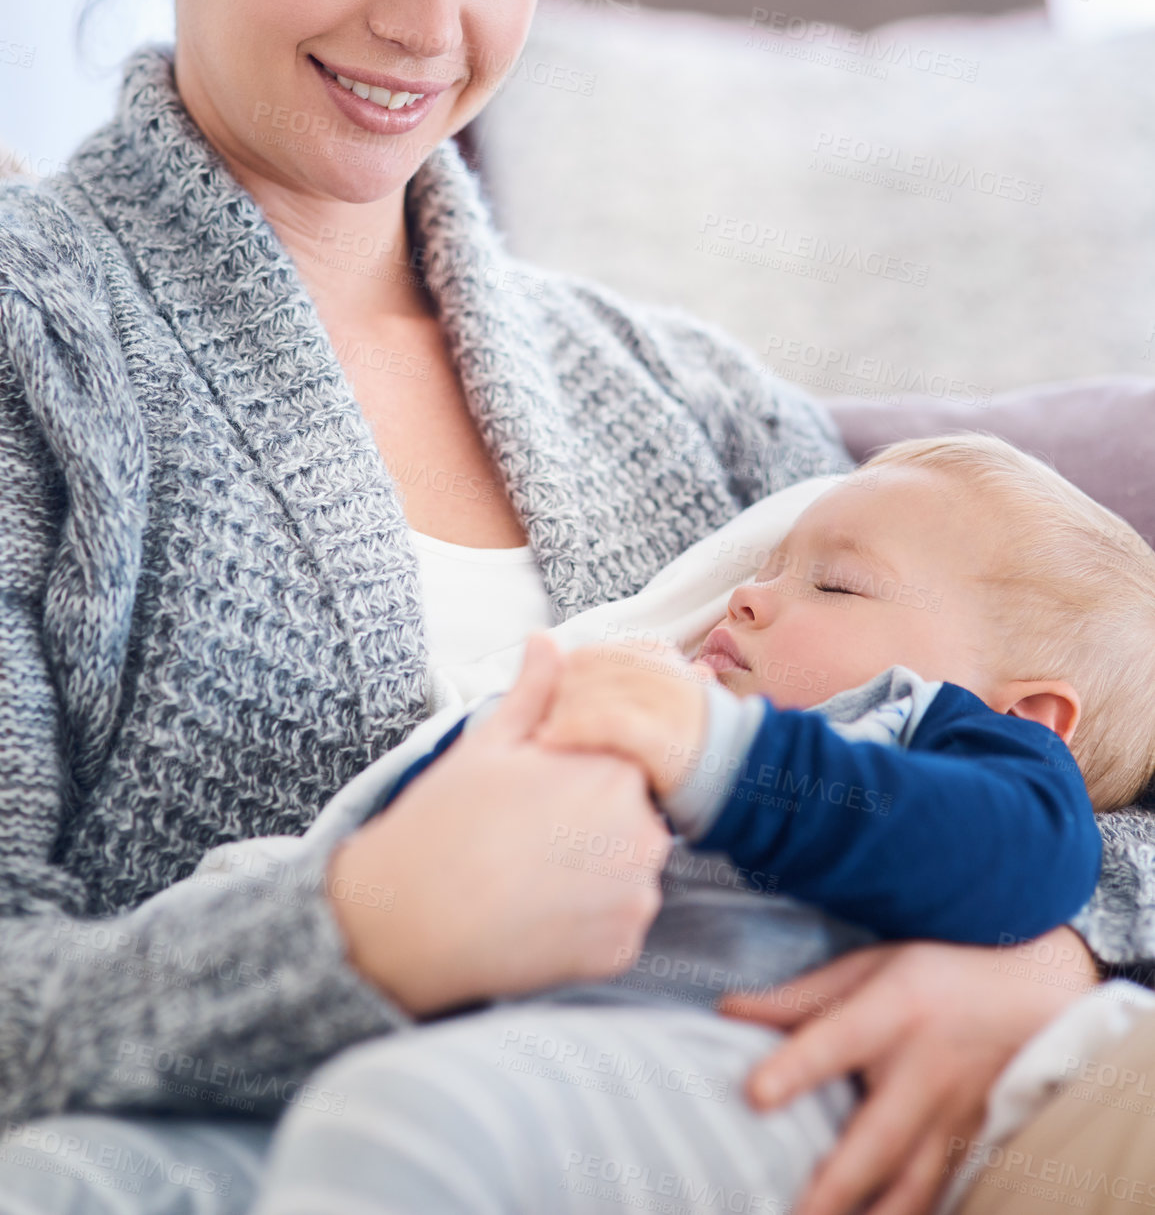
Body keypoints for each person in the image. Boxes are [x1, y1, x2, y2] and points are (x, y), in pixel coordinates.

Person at [0, 0, 1151, 1214]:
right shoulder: (43, 351)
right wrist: (351, 933)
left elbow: (1071, 735)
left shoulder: (676, 397)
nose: (431, 19)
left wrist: (1055, 955)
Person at [248, 433, 1147, 1213]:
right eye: (763, 569)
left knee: (402, 1119)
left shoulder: (927, 733)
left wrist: (714, 752)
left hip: (769, 1086)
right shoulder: (666, 698)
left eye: (834, 585)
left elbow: (1031, 857)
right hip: (530, 1058)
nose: (745, 599)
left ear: (1026, 719)